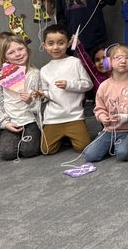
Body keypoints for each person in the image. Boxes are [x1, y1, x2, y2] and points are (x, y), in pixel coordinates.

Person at [82, 44, 128, 162]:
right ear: (108, 62)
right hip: (109, 130)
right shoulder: (104, 86)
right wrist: (103, 118)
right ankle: (116, 144)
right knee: (89, 155)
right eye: (118, 58)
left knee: (123, 155)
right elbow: (99, 109)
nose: (123, 61)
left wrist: (126, 117)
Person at [38, 24, 93, 155]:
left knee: (83, 147)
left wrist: (69, 85)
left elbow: (88, 84)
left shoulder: (75, 62)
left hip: (74, 116)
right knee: (46, 150)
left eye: (60, 43)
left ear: (68, 44)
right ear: (44, 45)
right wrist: (42, 94)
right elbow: (47, 93)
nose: (56, 47)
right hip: (53, 117)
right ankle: (64, 137)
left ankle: (71, 134)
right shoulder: (44, 70)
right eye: (51, 43)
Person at [0, 35, 43, 161]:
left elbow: (43, 101)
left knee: (29, 151)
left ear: (27, 50)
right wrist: (5, 123)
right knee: (8, 153)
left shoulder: (36, 74)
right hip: (10, 121)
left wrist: (31, 101)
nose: (18, 54)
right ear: (4, 57)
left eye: (20, 49)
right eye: (11, 52)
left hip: (30, 120)